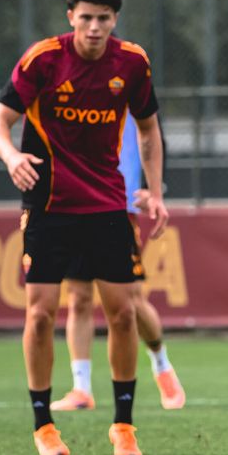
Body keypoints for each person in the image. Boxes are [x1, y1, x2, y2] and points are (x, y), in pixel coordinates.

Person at [0, 0, 167, 455]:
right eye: (85, 17)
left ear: (115, 21)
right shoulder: (42, 58)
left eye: (103, 19)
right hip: (46, 204)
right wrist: (9, 158)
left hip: (107, 203)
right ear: (71, 18)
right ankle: (44, 426)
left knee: (124, 312)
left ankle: (123, 426)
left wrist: (153, 188)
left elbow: (149, 130)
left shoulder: (131, 62)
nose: (94, 27)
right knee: (41, 313)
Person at [51, 113, 185, 412]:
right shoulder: (70, 86)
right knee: (78, 298)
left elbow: (153, 135)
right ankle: (81, 388)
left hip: (117, 205)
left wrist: (153, 187)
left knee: (131, 302)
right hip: (73, 204)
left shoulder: (126, 78)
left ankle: (161, 364)